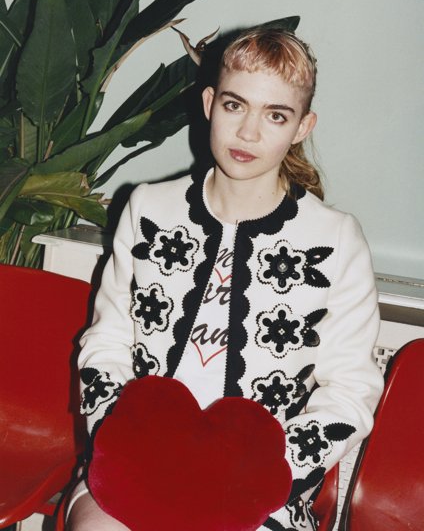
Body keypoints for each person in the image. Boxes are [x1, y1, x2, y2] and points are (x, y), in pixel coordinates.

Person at [66, 27, 383, 531]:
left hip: (259, 484)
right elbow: (107, 342)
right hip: (134, 458)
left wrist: (273, 472)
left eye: (275, 115)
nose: (248, 133)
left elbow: (350, 391)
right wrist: (121, 439)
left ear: (302, 127)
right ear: (210, 103)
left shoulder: (336, 239)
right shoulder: (148, 209)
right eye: (235, 106)